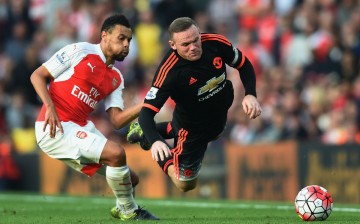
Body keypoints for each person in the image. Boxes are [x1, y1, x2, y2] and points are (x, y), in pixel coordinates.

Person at [30, 14, 159, 220]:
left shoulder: (116, 77)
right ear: (104, 36)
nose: (126, 45)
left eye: (129, 41)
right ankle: (129, 211)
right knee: (117, 153)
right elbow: (37, 75)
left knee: (131, 178)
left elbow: (116, 120)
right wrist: (49, 107)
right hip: (54, 126)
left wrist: (146, 103)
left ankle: (122, 206)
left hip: (78, 126)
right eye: (121, 38)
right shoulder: (79, 51)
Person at [127, 17, 262, 192]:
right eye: (185, 44)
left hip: (219, 109)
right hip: (190, 127)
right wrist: (155, 142)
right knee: (185, 184)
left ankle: (147, 131)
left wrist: (250, 94)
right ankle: (149, 136)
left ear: (199, 32)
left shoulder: (216, 42)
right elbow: (146, 112)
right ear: (173, 45)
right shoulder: (168, 72)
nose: (193, 47)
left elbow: (244, 65)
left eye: (195, 40)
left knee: (214, 133)